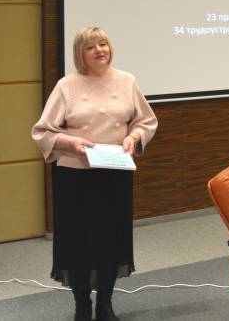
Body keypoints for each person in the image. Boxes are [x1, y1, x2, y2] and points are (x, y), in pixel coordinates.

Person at [32, 27, 158, 321]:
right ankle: (81, 304)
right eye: (91, 47)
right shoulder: (67, 86)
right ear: (80, 54)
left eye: (103, 44)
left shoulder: (127, 81)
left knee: (110, 240)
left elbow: (146, 121)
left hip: (115, 173)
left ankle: (105, 304)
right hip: (75, 176)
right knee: (78, 242)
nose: (100, 50)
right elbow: (42, 131)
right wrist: (71, 143)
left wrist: (133, 138)